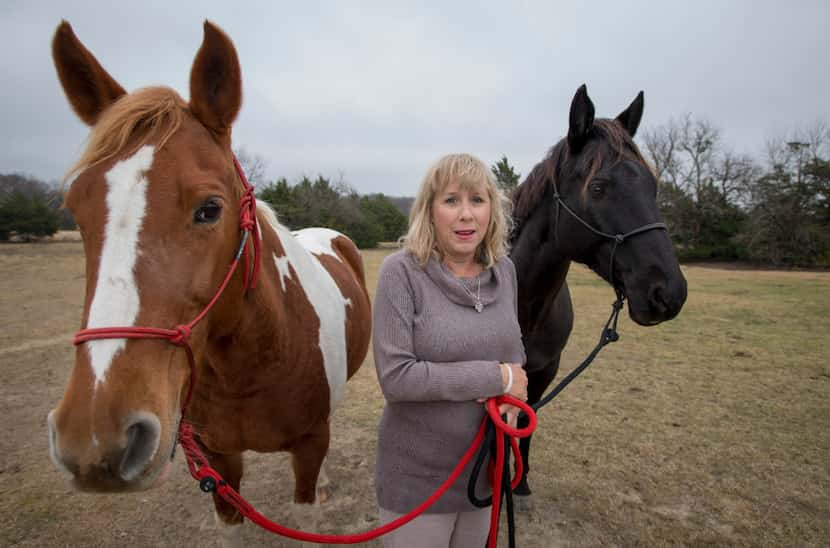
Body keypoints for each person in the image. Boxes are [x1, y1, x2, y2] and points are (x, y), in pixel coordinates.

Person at [373, 153, 528, 548]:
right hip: (417, 479)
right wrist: (496, 378)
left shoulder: (505, 271)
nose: (466, 215)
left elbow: (514, 353)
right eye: (451, 200)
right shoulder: (401, 273)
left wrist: (513, 386)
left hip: (484, 472)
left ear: (492, 211)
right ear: (429, 210)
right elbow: (397, 378)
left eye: (477, 200)